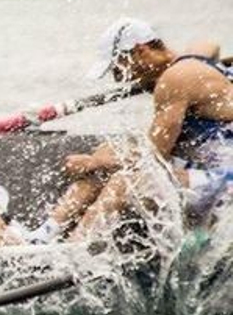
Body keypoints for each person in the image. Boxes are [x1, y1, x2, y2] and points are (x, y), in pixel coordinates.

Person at [26, 20, 225, 243]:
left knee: (126, 180)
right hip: (202, 166)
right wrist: (101, 160)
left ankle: (76, 247)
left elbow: (153, 159)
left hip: (225, 182)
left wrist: (95, 162)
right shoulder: (193, 61)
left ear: (141, 50)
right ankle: (45, 233)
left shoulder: (175, 80)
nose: (120, 79)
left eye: (119, 69)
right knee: (109, 150)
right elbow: (210, 44)